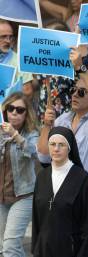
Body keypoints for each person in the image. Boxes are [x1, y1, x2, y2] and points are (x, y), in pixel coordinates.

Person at [36, 47, 88, 243]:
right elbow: (44, 157)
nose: (74, 95)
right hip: (61, 194)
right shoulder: (63, 119)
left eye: (81, 92)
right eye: (73, 90)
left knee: (85, 250)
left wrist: (81, 68)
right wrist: (47, 126)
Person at [32, 126, 88, 257]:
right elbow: (36, 218)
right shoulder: (41, 177)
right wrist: (36, 249)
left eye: (61, 145)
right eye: (52, 144)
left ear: (69, 148)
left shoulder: (83, 179)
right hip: (45, 249)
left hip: (73, 250)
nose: (56, 149)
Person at [0, 92, 38, 256]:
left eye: (20, 110)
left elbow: (36, 152)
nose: (14, 113)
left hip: (23, 195)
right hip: (1, 197)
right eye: (11, 108)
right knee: (4, 248)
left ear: (26, 114)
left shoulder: (31, 133)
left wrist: (15, 136)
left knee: (11, 246)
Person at [39, 0, 88, 65]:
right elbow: (42, 2)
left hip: (84, 63)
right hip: (65, 61)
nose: (73, 1)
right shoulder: (67, 14)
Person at [0, 20, 33, 94]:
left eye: (10, 37)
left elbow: (28, 91)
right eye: (3, 36)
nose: (8, 41)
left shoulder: (20, 61)